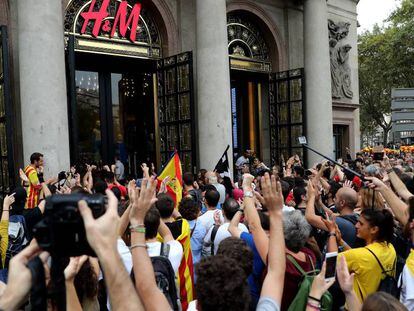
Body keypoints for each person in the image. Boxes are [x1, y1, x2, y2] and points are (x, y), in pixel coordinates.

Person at [178, 197, 206, 265]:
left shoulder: (177, 225)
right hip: (196, 262)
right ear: (196, 212)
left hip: (182, 262)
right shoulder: (201, 227)